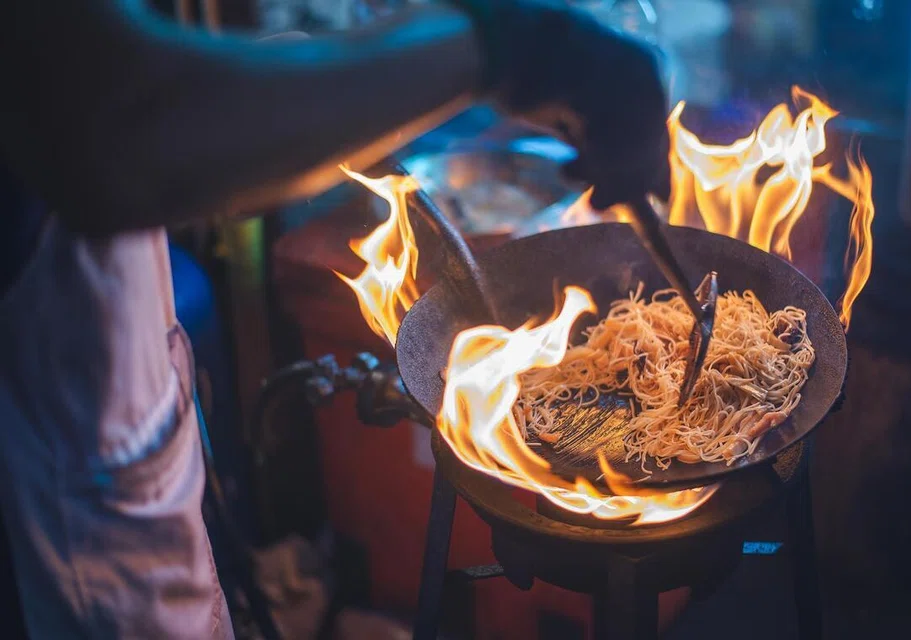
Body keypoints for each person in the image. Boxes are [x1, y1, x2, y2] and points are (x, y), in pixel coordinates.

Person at [0, 0, 668, 636]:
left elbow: (159, 79)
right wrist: (513, 48)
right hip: (47, 470)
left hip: (97, 366)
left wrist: (381, 75)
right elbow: (123, 130)